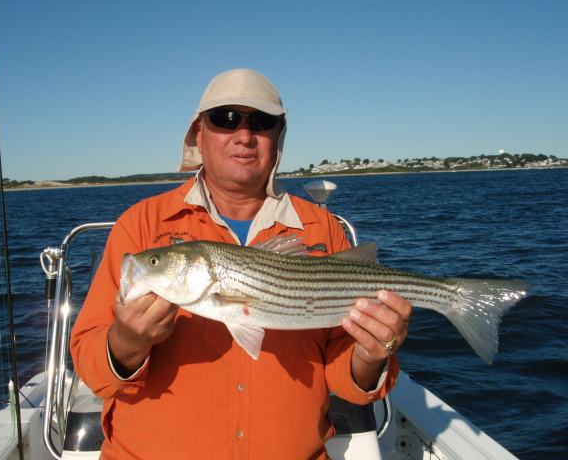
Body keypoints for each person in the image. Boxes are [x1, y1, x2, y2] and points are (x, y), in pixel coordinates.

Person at [70, 68, 412, 459]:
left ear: (277, 136)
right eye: (225, 118)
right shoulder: (140, 224)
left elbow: (348, 382)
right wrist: (127, 341)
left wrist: (371, 353)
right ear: (199, 133)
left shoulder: (324, 229)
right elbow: (91, 369)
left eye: (261, 122)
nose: (245, 135)